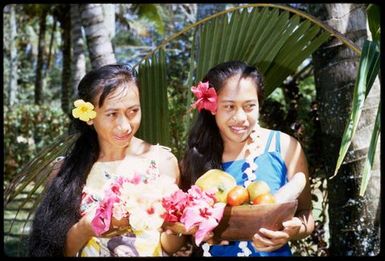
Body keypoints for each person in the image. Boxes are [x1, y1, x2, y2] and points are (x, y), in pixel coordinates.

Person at [28, 64, 185, 256]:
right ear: (89, 116)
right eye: (112, 114)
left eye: (133, 111)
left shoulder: (162, 162)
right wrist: (87, 227)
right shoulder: (67, 171)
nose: (125, 125)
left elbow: (168, 246)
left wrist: (177, 230)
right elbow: (54, 251)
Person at [180, 61, 314, 256]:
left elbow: (306, 214)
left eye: (249, 106)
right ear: (212, 107)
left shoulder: (284, 146)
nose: (241, 117)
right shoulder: (195, 157)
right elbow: (182, 228)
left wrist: (293, 231)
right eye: (229, 107)